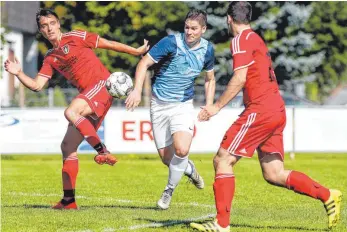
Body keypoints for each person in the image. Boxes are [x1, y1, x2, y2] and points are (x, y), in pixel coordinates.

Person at [190, 2, 342, 231]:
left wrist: (216, 107)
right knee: (274, 173)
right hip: (275, 108)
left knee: (222, 159)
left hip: (260, 110)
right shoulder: (256, 38)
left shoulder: (240, 40)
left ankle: (221, 225)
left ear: (229, 19)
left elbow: (240, 78)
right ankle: (328, 195)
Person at [3, 9, 149, 209]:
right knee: (67, 147)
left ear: (58, 24)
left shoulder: (76, 36)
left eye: (52, 23)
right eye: (44, 26)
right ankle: (68, 201)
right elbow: (37, 86)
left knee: (70, 112)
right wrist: (18, 72)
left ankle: (102, 150)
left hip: (102, 87)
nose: (49, 28)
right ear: (40, 30)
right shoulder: (50, 57)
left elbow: (109, 44)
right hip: (90, 99)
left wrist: (136, 51)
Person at [125, 9, 216, 210]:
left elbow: (210, 79)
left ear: (203, 29)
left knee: (182, 149)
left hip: (182, 105)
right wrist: (137, 90)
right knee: (168, 158)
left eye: (194, 29)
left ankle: (168, 191)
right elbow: (143, 64)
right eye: (187, 27)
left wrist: (209, 104)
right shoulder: (171, 43)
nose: (189, 32)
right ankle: (190, 169)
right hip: (158, 105)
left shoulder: (208, 50)